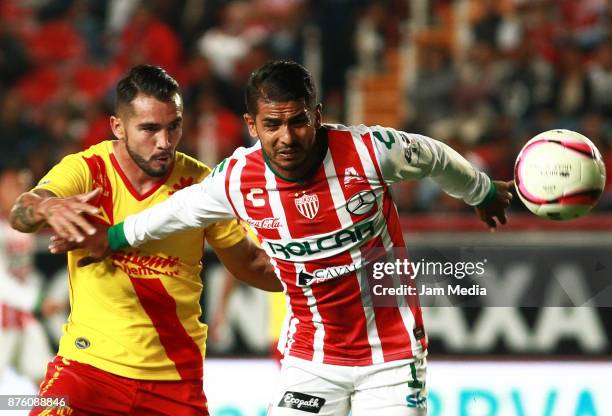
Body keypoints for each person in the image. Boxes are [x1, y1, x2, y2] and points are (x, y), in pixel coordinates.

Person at [48, 61, 513, 415]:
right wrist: (109, 237)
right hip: (310, 358)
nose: (286, 137)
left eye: (297, 122)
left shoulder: (372, 151)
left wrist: (481, 189)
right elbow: (173, 213)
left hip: (390, 355)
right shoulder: (235, 179)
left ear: (317, 115)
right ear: (253, 126)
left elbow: (431, 155)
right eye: (272, 125)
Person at [9, 64, 281, 416]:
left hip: (175, 381)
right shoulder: (87, 169)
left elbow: (250, 264)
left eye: (174, 127)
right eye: (150, 129)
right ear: (117, 127)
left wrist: (325, 276)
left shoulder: (201, 184)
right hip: (87, 372)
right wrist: (48, 207)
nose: (164, 142)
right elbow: (22, 211)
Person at [0, 165, 56, 388]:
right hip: (4, 314)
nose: (18, 192)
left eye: (22, 186)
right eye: (11, 186)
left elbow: (25, 271)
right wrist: (37, 300)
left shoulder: (18, 226)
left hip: (21, 315)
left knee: (50, 383)